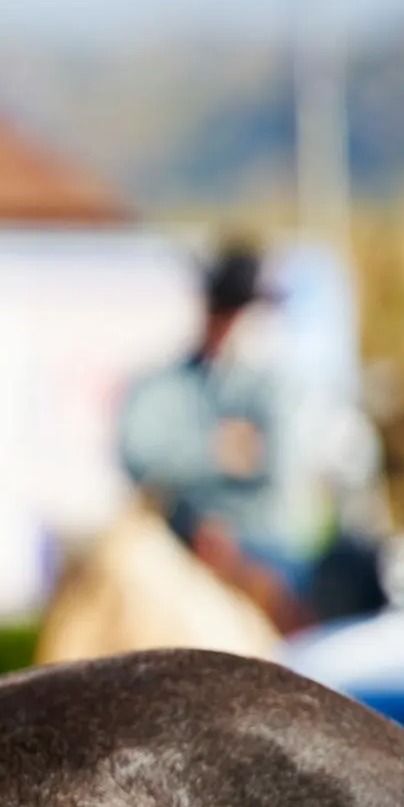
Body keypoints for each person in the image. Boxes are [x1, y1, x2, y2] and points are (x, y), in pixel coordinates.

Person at [118, 242, 312, 632]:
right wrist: (218, 451)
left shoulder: (274, 386)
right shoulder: (165, 383)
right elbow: (136, 453)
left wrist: (184, 458)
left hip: (261, 551)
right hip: (181, 542)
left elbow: (275, 463)